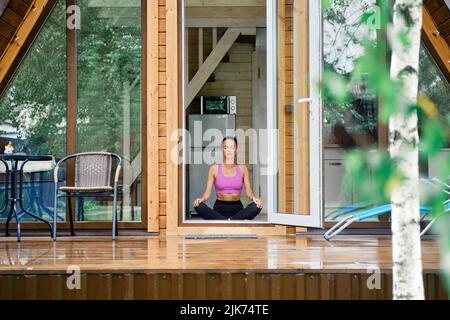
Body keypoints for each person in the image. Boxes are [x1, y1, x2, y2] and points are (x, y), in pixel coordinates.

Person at [192, 136, 263, 220]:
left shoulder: (242, 168)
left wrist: (254, 198)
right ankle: (232, 221)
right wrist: (201, 199)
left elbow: (249, 192)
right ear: (222, 150)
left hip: (237, 208)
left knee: (257, 206)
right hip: (219, 207)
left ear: (236, 150)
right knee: (198, 205)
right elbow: (207, 193)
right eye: (226, 147)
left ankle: (224, 221)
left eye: (232, 147)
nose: (229, 150)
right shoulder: (214, 169)